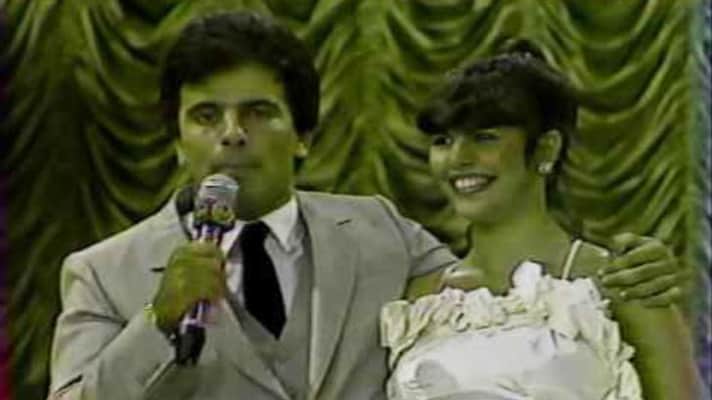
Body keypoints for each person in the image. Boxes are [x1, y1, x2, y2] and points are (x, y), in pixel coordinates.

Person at [49, 12, 685, 400]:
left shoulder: (380, 231)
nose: (233, 135)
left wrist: (637, 273)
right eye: (206, 116)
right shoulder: (103, 271)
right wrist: (157, 321)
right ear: (176, 136)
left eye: (259, 112)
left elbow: (512, 283)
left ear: (303, 135)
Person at [382, 49, 706, 399]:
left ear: (546, 148)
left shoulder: (623, 283)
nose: (457, 158)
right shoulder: (417, 299)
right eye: (443, 141)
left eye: (484, 137)